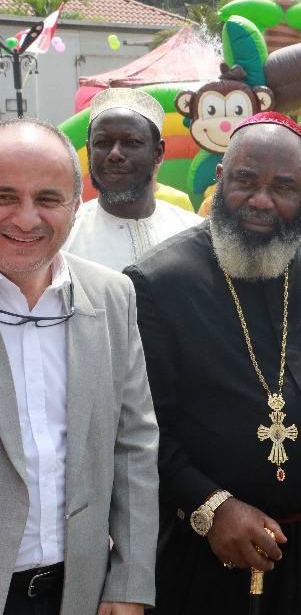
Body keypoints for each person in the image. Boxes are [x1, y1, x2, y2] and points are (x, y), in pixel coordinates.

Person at [125, 112, 301, 615]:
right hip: (218, 553)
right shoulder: (159, 282)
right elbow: (144, 428)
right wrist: (209, 507)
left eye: (284, 186)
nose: (261, 201)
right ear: (220, 179)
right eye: (244, 181)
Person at [0, 119, 159, 615]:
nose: (26, 219)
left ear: (75, 204)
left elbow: (134, 444)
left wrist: (130, 581)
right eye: (5, 196)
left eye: (48, 199)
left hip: (78, 594)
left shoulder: (112, 296)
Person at [63, 89, 201, 272]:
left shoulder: (193, 234)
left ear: (158, 152)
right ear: (89, 151)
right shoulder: (63, 240)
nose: (115, 154)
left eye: (132, 142)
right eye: (102, 143)